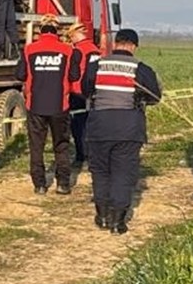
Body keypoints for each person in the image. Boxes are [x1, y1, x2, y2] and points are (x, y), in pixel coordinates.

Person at [81, 28, 161, 235]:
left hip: (99, 126)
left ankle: (102, 215)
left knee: (100, 172)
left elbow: (85, 90)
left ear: (115, 43)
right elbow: (154, 97)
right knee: (123, 173)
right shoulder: (141, 68)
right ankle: (118, 221)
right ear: (134, 46)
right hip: (128, 128)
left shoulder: (96, 66)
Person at [15, 16, 76, 195]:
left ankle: (39, 185)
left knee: (36, 146)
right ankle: (63, 184)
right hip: (60, 105)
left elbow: (19, 74)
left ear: (40, 30)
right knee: (62, 145)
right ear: (56, 31)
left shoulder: (29, 50)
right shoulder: (67, 50)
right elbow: (73, 76)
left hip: (35, 105)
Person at [66, 22, 100, 166]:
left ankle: (81, 155)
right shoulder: (95, 49)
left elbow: (73, 73)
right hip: (92, 92)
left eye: (71, 37)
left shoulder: (78, 51)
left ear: (75, 35)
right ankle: (92, 154)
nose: (71, 40)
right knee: (90, 125)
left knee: (77, 126)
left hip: (77, 91)